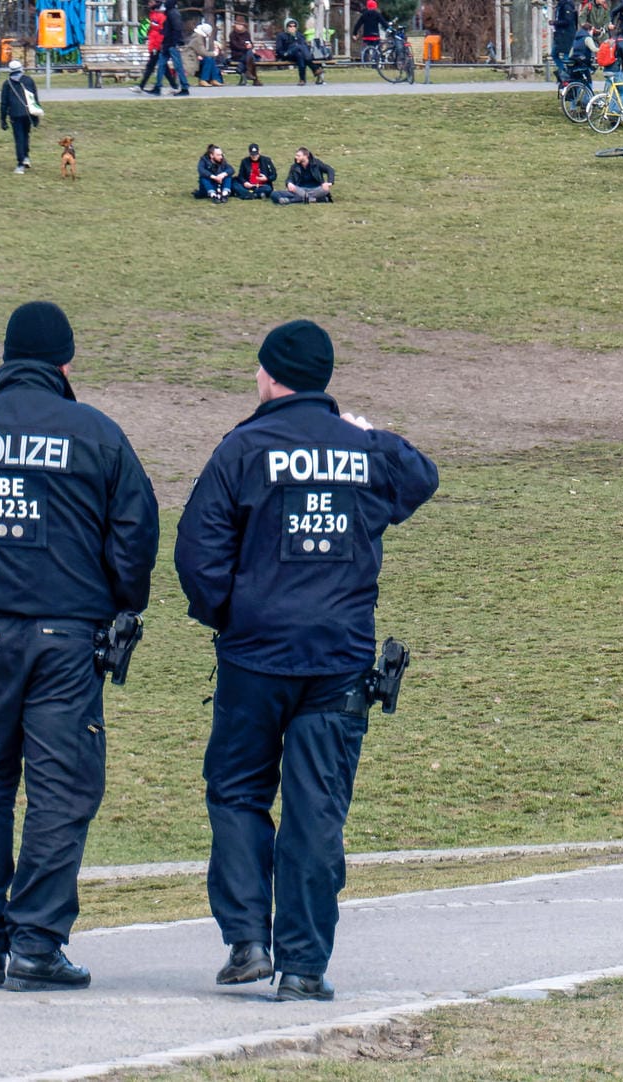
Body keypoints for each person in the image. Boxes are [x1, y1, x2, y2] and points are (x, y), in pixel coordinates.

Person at [174, 319, 438, 1003]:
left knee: (236, 792)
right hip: (339, 659)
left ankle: (246, 942)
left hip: (255, 656)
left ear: (268, 376)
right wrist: (365, 430)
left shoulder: (242, 447)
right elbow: (421, 476)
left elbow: (196, 556)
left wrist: (231, 616)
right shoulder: (362, 450)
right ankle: (303, 965)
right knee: (316, 811)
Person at [0, 301, 160, 991]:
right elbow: (135, 534)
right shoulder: (97, 434)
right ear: (65, 363)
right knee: (61, 789)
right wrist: (117, 602)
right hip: (68, 642)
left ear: (7, 356)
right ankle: (38, 941)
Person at [0, 60, 40, 174]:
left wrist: (3, 119)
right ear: (21, 68)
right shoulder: (29, 80)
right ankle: (26, 157)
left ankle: (20, 164)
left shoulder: (7, 83)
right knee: (26, 135)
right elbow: (34, 98)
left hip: (15, 114)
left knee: (19, 138)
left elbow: (4, 103)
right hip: (28, 113)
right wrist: (36, 116)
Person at [136, 0, 175, 93]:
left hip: (157, 45)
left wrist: (158, 45)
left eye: (151, 2)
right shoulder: (153, 15)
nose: (149, 4)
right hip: (154, 44)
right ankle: (174, 85)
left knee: (151, 66)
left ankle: (141, 86)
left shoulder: (161, 16)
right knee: (163, 67)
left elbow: (161, 32)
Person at [159, 0, 190, 94]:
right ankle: (160, 86)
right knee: (163, 64)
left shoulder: (172, 13)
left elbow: (176, 28)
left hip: (171, 43)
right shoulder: (170, 12)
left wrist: (174, 42)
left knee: (176, 65)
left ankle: (184, 87)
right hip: (169, 43)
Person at [551, 0, 579, 83]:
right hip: (561, 34)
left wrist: (555, 22)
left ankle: (566, 73)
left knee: (565, 55)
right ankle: (564, 71)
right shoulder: (560, 5)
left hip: (566, 35)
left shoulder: (567, 6)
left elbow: (568, 21)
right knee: (555, 53)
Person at [229, 20, 262, 85]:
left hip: (247, 54)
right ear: (235, 25)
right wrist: (246, 47)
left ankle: (249, 73)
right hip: (237, 54)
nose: (239, 26)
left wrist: (251, 46)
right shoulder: (232, 34)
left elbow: (250, 43)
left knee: (250, 56)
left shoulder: (246, 33)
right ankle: (255, 78)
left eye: (241, 25)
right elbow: (235, 46)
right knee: (251, 57)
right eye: (237, 24)